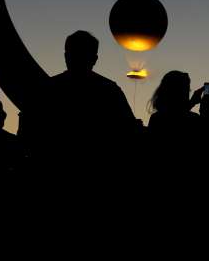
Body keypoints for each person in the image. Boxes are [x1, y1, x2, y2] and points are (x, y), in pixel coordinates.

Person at [23, 30, 138, 174]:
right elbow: (129, 131)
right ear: (95, 59)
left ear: (66, 56)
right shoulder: (109, 91)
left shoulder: (47, 89)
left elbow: (29, 131)